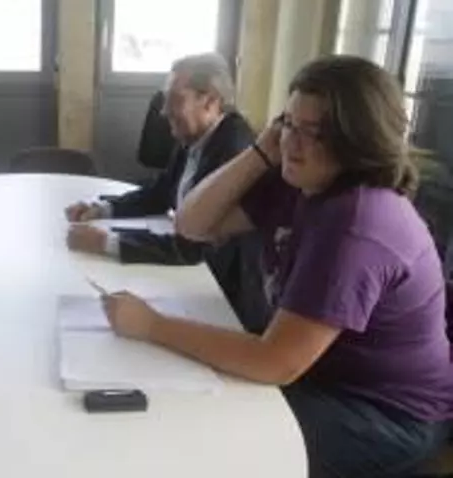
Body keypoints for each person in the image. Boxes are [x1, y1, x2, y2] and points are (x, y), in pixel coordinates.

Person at [104, 55, 453, 477]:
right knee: (190, 401)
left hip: (384, 413)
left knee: (210, 439)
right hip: (317, 376)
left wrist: (152, 325)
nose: (292, 143)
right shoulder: (301, 181)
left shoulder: (357, 222)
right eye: (288, 123)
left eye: (314, 132)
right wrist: (261, 150)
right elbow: (192, 225)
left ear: (359, 141)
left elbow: (275, 361)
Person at [65, 53, 268, 331]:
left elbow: (192, 248)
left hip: (223, 302)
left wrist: (108, 242)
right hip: (194, 280)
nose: (163, 111)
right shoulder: (197, 135)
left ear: (209, 101)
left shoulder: (234, 151)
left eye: (175, 100)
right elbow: (161, 192)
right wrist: (102, 209)